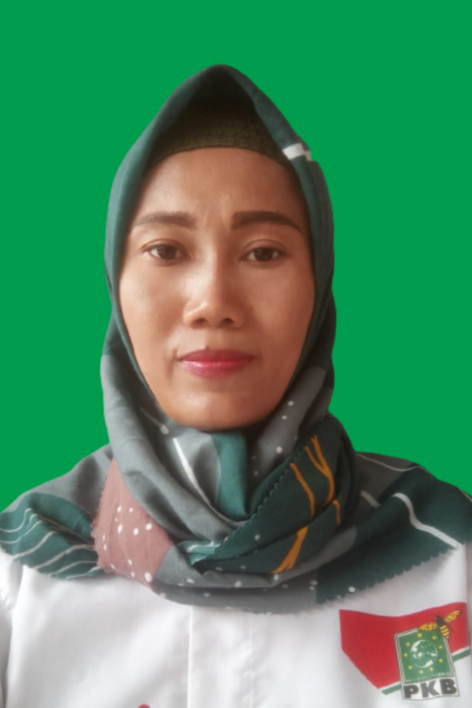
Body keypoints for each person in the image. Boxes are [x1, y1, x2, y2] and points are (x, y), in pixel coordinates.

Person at [1, 65, 471, 707]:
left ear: (318, 287)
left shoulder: (448, 557)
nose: (213, 303)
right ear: (116, 284)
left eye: (263, 252)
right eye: (166, 251)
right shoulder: (21, 573)